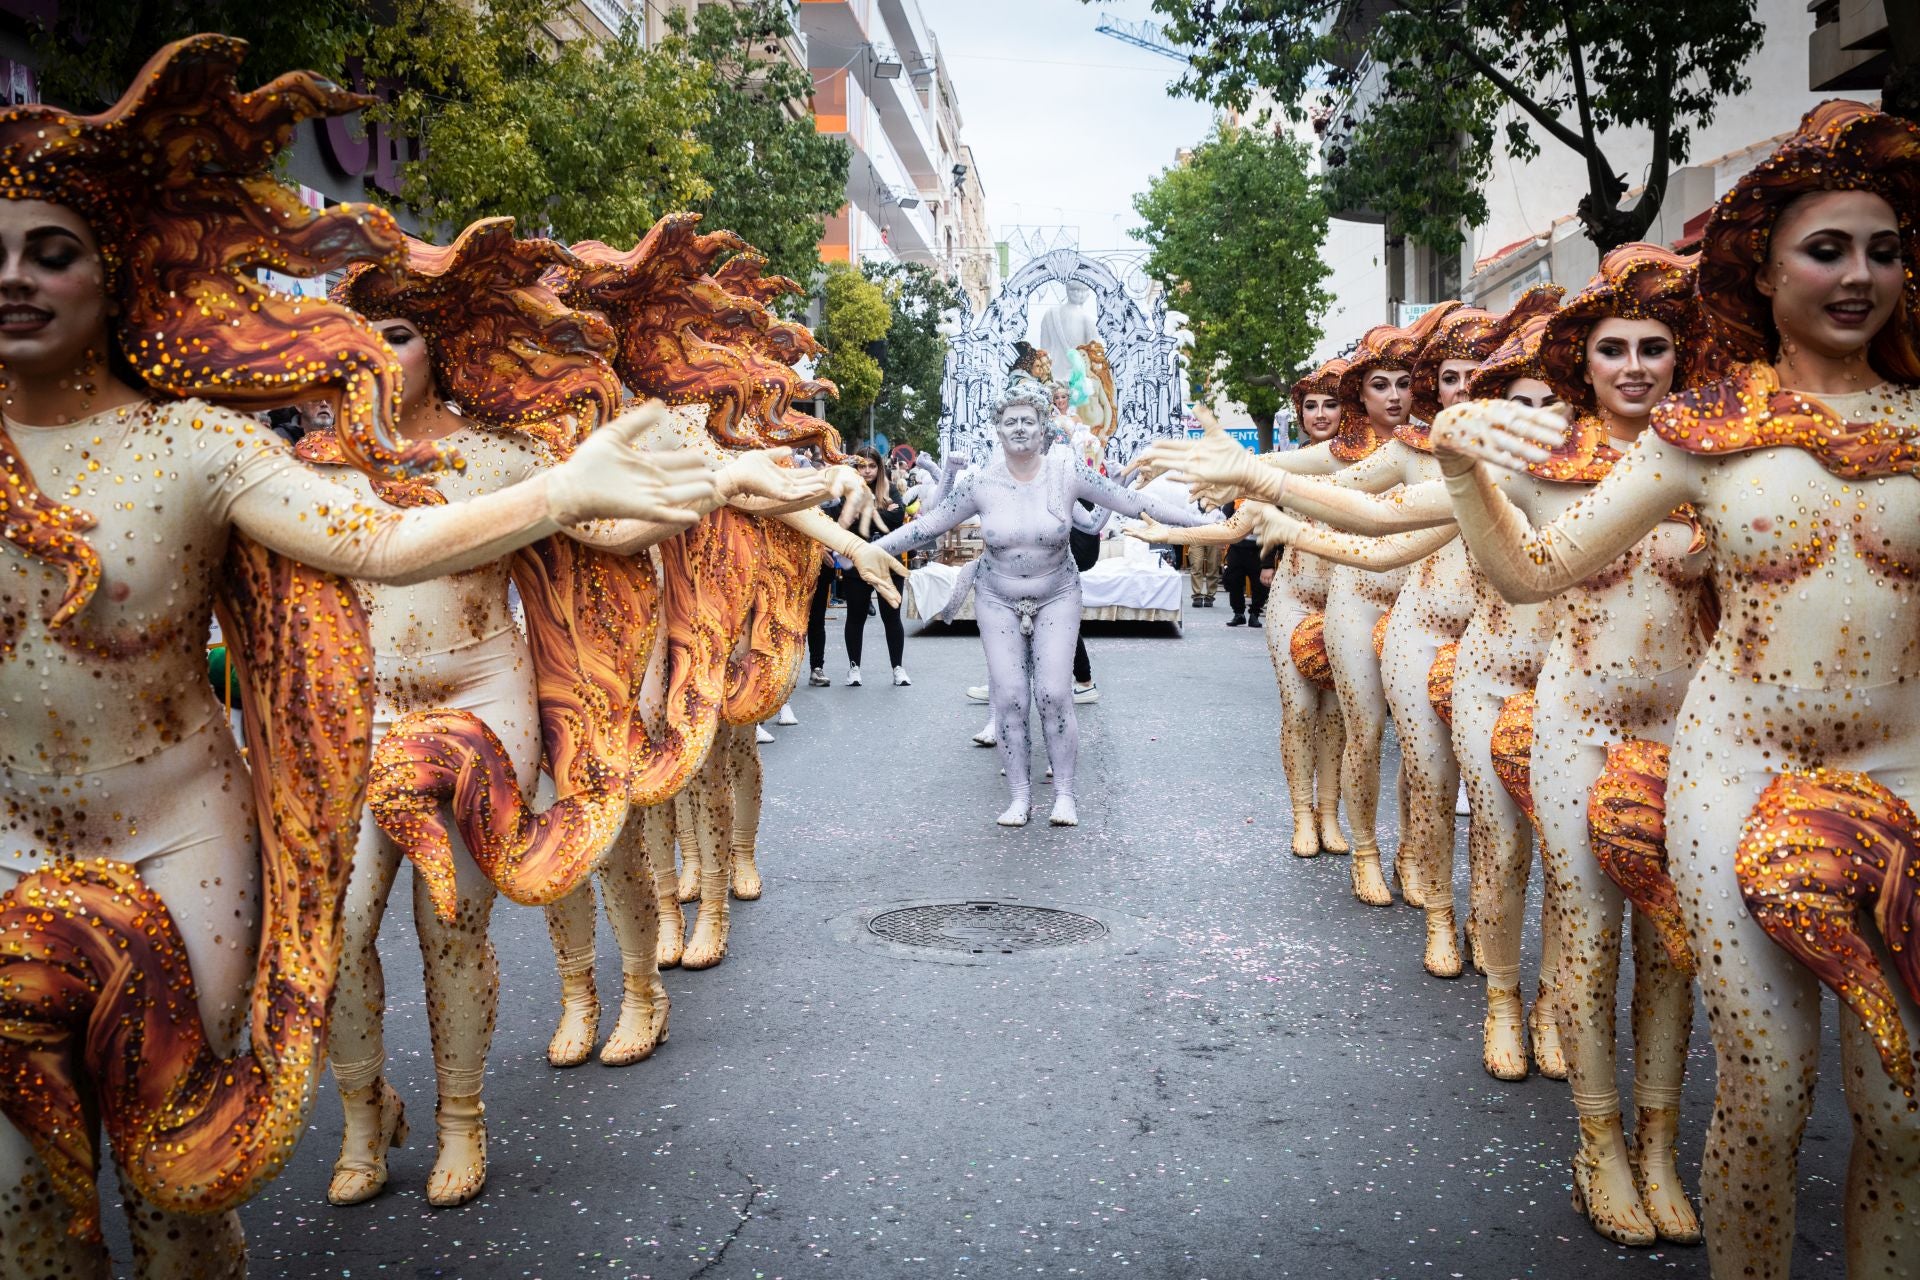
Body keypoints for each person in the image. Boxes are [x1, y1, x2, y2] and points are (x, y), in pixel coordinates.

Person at [0, 37, 727, 1275]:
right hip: (146, 796)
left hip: (346, 761)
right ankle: (362, 1109)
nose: (13, 277)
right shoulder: (306, 454)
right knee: (28, 1192)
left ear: (114, 276)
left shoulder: (203, 449)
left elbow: (399, 543)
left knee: (189, 1186)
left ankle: (462, 1113)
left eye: (51, 250)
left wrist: (598, 484)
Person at [1429, 103, 1920, 1274]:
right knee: (1767, 1084)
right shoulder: (1706, 431)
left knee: (1904, 1110)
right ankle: (1612, 1135)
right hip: (1729, 772)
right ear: (1762, 266)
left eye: (1885, 250)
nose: (1859, 276)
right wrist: (1457, 460)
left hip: (1903, 771)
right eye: (1827, 249)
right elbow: (1537, 569)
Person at [874, 371, 1211, 826]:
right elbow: (926, 526)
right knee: (1010, 697)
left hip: (1057, 592)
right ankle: (1018, 796)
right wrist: (865, 549)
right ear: (998, 427)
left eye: (1028, 420)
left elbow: (1133, 503)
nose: (1018, 428)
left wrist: (1204, 524)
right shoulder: (980, 482)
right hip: (997, 595)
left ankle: (1065, 794)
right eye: (1010, 420)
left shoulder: (1067, 472)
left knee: (1053, 693)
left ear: (1044, 426)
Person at [839, 444, 909, 686]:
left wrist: (866, 513)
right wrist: (881, 511)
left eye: (871, 465)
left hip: (888, 564)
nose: (867, 471)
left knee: (892, 617)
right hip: (856, 563)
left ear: (879, 468)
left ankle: (898, 668)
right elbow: (842, 520)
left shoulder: (889, 488)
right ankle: (854, 668)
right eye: (862, 465)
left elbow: (897, 518)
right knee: (855, 617)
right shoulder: (847, 490)